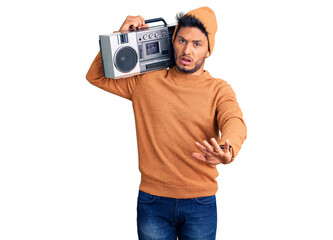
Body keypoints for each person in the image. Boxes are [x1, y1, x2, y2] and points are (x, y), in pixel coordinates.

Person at [86, 6, 247, 240]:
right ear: (172, 40)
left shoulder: (219, 89)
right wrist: (120, 39)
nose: (187, 49)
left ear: (208, 50)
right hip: (153, 201)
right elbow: (96, 77)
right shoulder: (146, 81)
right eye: (181, 40)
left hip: (200, 203)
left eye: (197, 44)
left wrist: (227, 148)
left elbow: (234, 120)